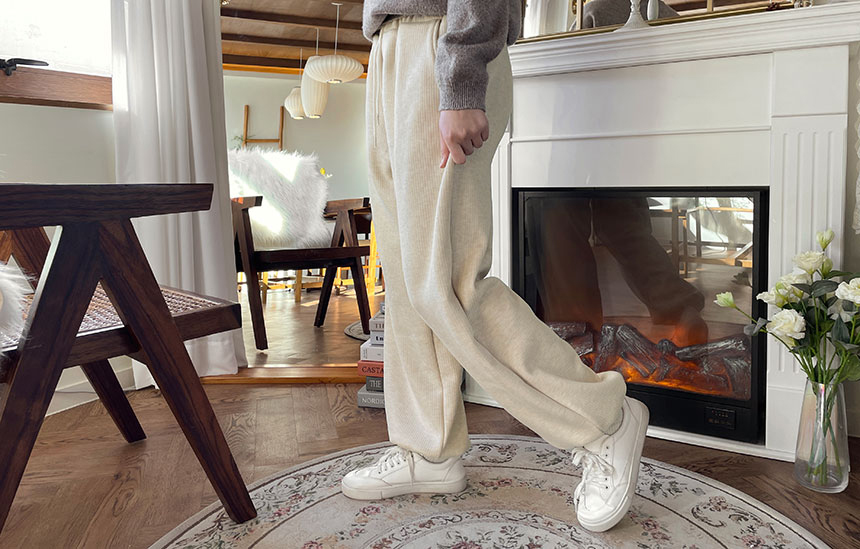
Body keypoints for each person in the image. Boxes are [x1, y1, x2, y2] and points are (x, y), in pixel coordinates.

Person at [341, 0, 650, 533]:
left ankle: (603, 419)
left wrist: (461, 76)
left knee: (449, 286)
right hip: (388, 47)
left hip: (442, 41)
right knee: (410, 283)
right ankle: (427, 450)